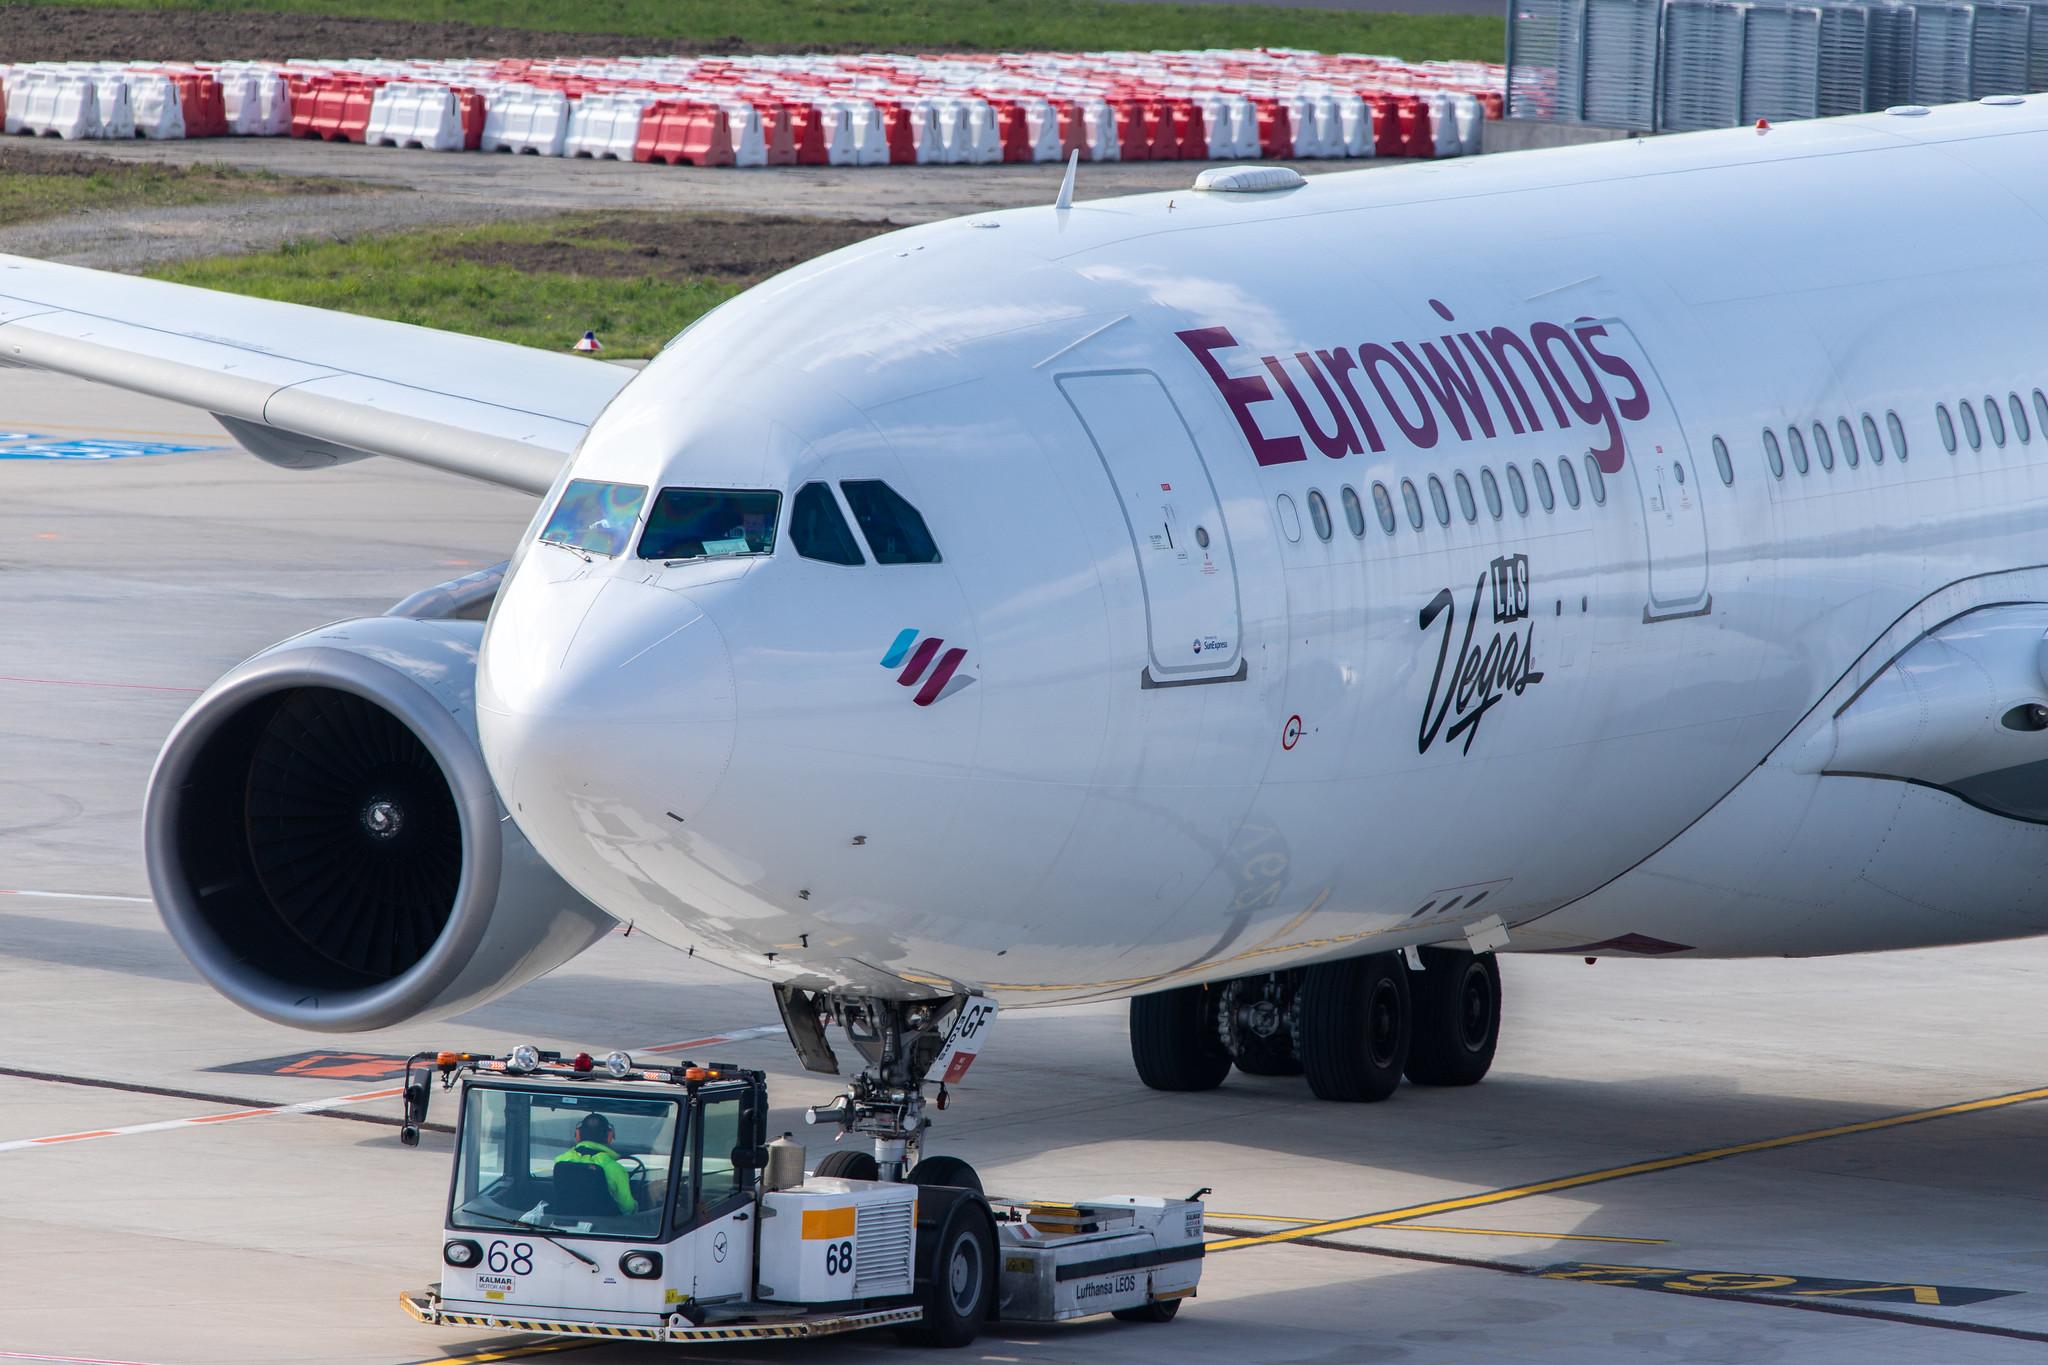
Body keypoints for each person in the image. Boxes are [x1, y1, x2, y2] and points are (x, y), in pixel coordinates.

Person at [554, 1112, 637, 1216]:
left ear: (578, 1135)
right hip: (604, 1225)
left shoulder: (560, 1160)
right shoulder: (614, 1168)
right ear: (609, 1136)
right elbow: (627, 1208)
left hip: (564, 1223)